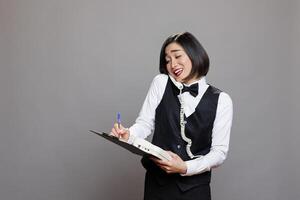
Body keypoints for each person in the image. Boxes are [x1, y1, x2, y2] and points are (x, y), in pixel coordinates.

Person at [111, 32, 233, 200]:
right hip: (158, 186)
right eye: (167, 60)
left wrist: (184, 167)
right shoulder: (160, 83)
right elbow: (145, 123)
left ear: (194, 54)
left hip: (196, 190)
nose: (172, 64)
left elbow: (219, 153)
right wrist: (129, 135)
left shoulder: (222, 100)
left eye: (177, 56)